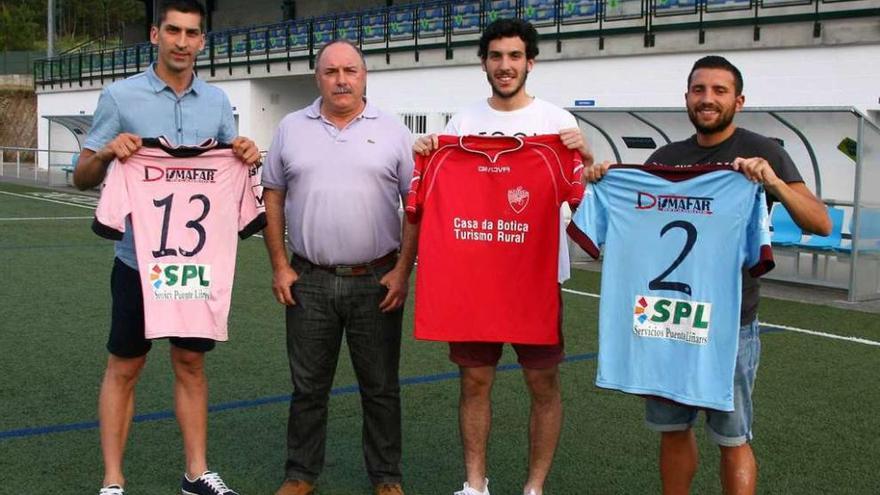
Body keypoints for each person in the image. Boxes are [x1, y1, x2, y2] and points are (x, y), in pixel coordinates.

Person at [584, 55, 831, 495]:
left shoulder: (765, 152)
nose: (708, 99)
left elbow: (821, 223)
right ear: (686, 98)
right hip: (662, 317)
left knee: (732, 437)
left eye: (719, 91)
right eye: (699, 90)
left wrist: (772, 182)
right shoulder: (665, 158)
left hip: (727, 324)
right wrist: (604, 179)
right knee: (672, 430)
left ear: (739, 100)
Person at [73, 1, 260, 494]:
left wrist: (244, 151)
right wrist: (110, 152)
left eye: (191, 33)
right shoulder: (120, 96)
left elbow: (229, 161)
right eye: (172, 30)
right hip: (137, 262)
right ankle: (113, 480)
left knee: (191, 364)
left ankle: (196, 472)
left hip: (196, 267)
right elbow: (81, 176)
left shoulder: (217, 103)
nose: (181, 41)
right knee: (125, 365)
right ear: (155, 34)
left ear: (202, 40)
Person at [412, 18, 593, 495]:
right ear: (484, 63)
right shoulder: (462, 124)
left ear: (530, 62)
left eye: (515, 56)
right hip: (473, 278)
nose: (505, 65)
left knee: (543, 384)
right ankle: (476, 484)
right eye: (496, 56)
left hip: (535, 279)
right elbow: (431, 195)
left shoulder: (558, 124)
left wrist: (586, 155)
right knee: (474, 382)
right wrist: (429, 150)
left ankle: (534, 487)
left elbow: (583, 195)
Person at [261, 40, 416, 495]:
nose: (342, 79)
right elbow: (272, 193)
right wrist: (278, 265)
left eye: (350, 70)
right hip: (307, 279)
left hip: (377, 280)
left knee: (381, 388)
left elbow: (415, 205)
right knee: (308, 388)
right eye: (331, 72)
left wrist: (403, 270)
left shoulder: (393, 131)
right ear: (318, 78)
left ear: (365, 76)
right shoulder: (291, 128)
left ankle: (386, 478)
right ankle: (300, 474)